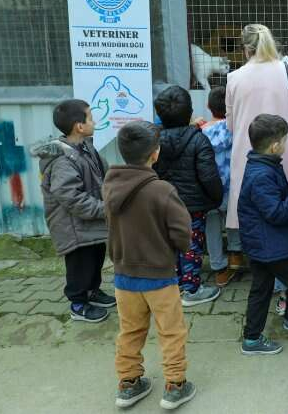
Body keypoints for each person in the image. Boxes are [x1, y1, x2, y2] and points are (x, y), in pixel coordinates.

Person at [103, 121, 197, 410]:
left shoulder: (110, 184)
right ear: (155, 153)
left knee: (130, 331)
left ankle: (129, 383)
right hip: (160, 276)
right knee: (171, 331)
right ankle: (175, 385)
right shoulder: (162, 190)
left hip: (124, 275)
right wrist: (176, 250)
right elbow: (182, 233)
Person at [226, 24, 288, 313]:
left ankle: (266, 278)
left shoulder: (234, 77)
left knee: (256, 213)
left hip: (248, 154)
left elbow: (230, 124)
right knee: (286, 212)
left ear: (246, 48)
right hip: (283, 150)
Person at [30, 99, 115, 323]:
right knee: (80, 266)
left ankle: (92, 292)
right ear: (79, 126)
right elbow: (71, 197)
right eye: (90, 118)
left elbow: (103, 173)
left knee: (96, 257)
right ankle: (78, 304)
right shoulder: (62, 160)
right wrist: (104, 209)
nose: (94, 122)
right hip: (73, 227)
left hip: (90, 222)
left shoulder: (86, 147)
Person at [238, 114, 288, 355]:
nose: (286, 144)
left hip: (261, 242)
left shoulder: (263, 164)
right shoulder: (262, 174)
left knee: (261, 289)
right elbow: (276, 212)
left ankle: (251, 339)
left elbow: (280, 191)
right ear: (274, 146)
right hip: (270, 245)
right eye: (285, 140)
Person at [153, 86, 224, 306]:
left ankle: (174, 284)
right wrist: (216, 198)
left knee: (170, 242)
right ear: (190, 112)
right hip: (193, 207)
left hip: (164, 204)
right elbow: (209, 176)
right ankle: (191, 290)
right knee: (192, 246)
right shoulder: (198, 140)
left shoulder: (154, 141)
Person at [198, 86, 244, 286]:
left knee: (212, 226)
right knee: (234, 218)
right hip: (233, 188)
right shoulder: (238, 130)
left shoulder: (201, 133)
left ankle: (219, 269)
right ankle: (236, 254)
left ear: (208, 106)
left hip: (210, 190)